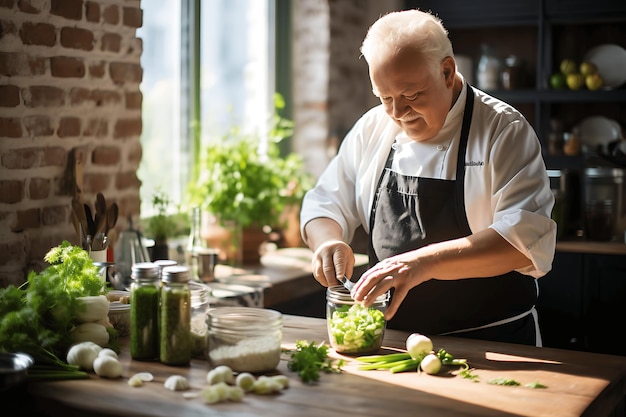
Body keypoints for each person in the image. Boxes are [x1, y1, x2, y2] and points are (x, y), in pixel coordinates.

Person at [299, 9, 556, 347]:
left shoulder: (503, 130)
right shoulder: (373, 127)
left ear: (447, 71)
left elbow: (522, 244)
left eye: (412, 95)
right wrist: (327, 242)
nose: (398, 113)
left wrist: (421, 263)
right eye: (385, 98)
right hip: (393, 343)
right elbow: (325, 203)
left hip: (494, 342)